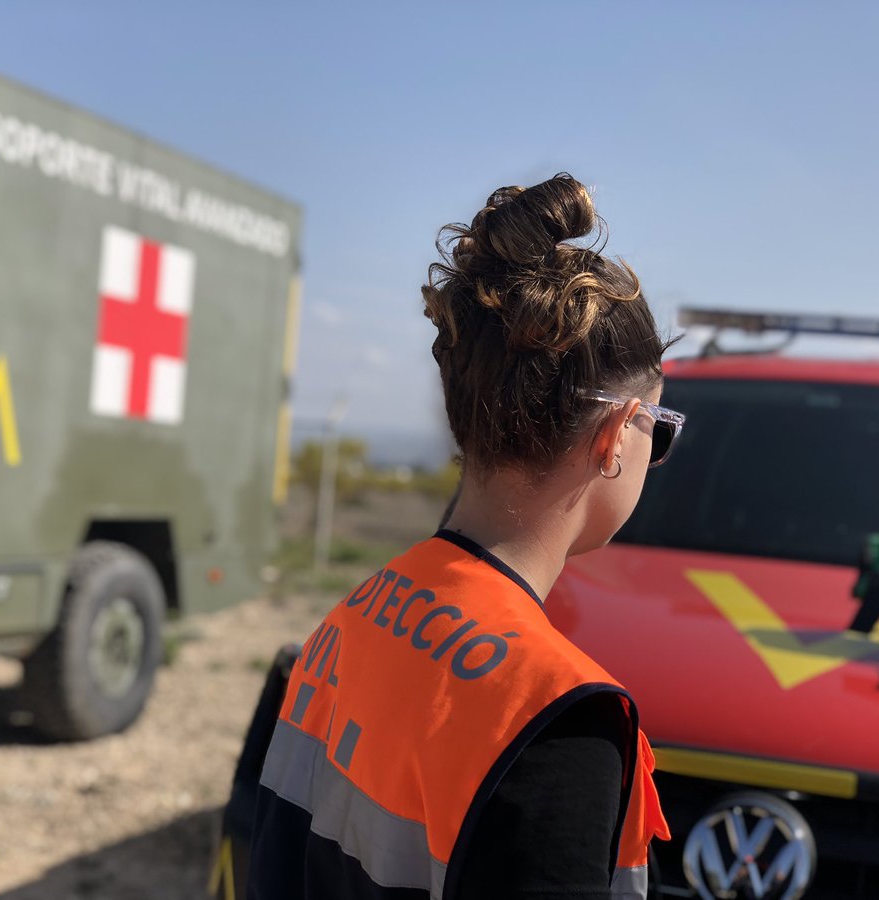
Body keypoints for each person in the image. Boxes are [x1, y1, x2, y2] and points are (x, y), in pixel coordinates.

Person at [249, 173, 680, 899]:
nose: (653, 453)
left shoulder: (358, 615)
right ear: (613, 436)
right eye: (657, 432)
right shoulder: (562, 721)